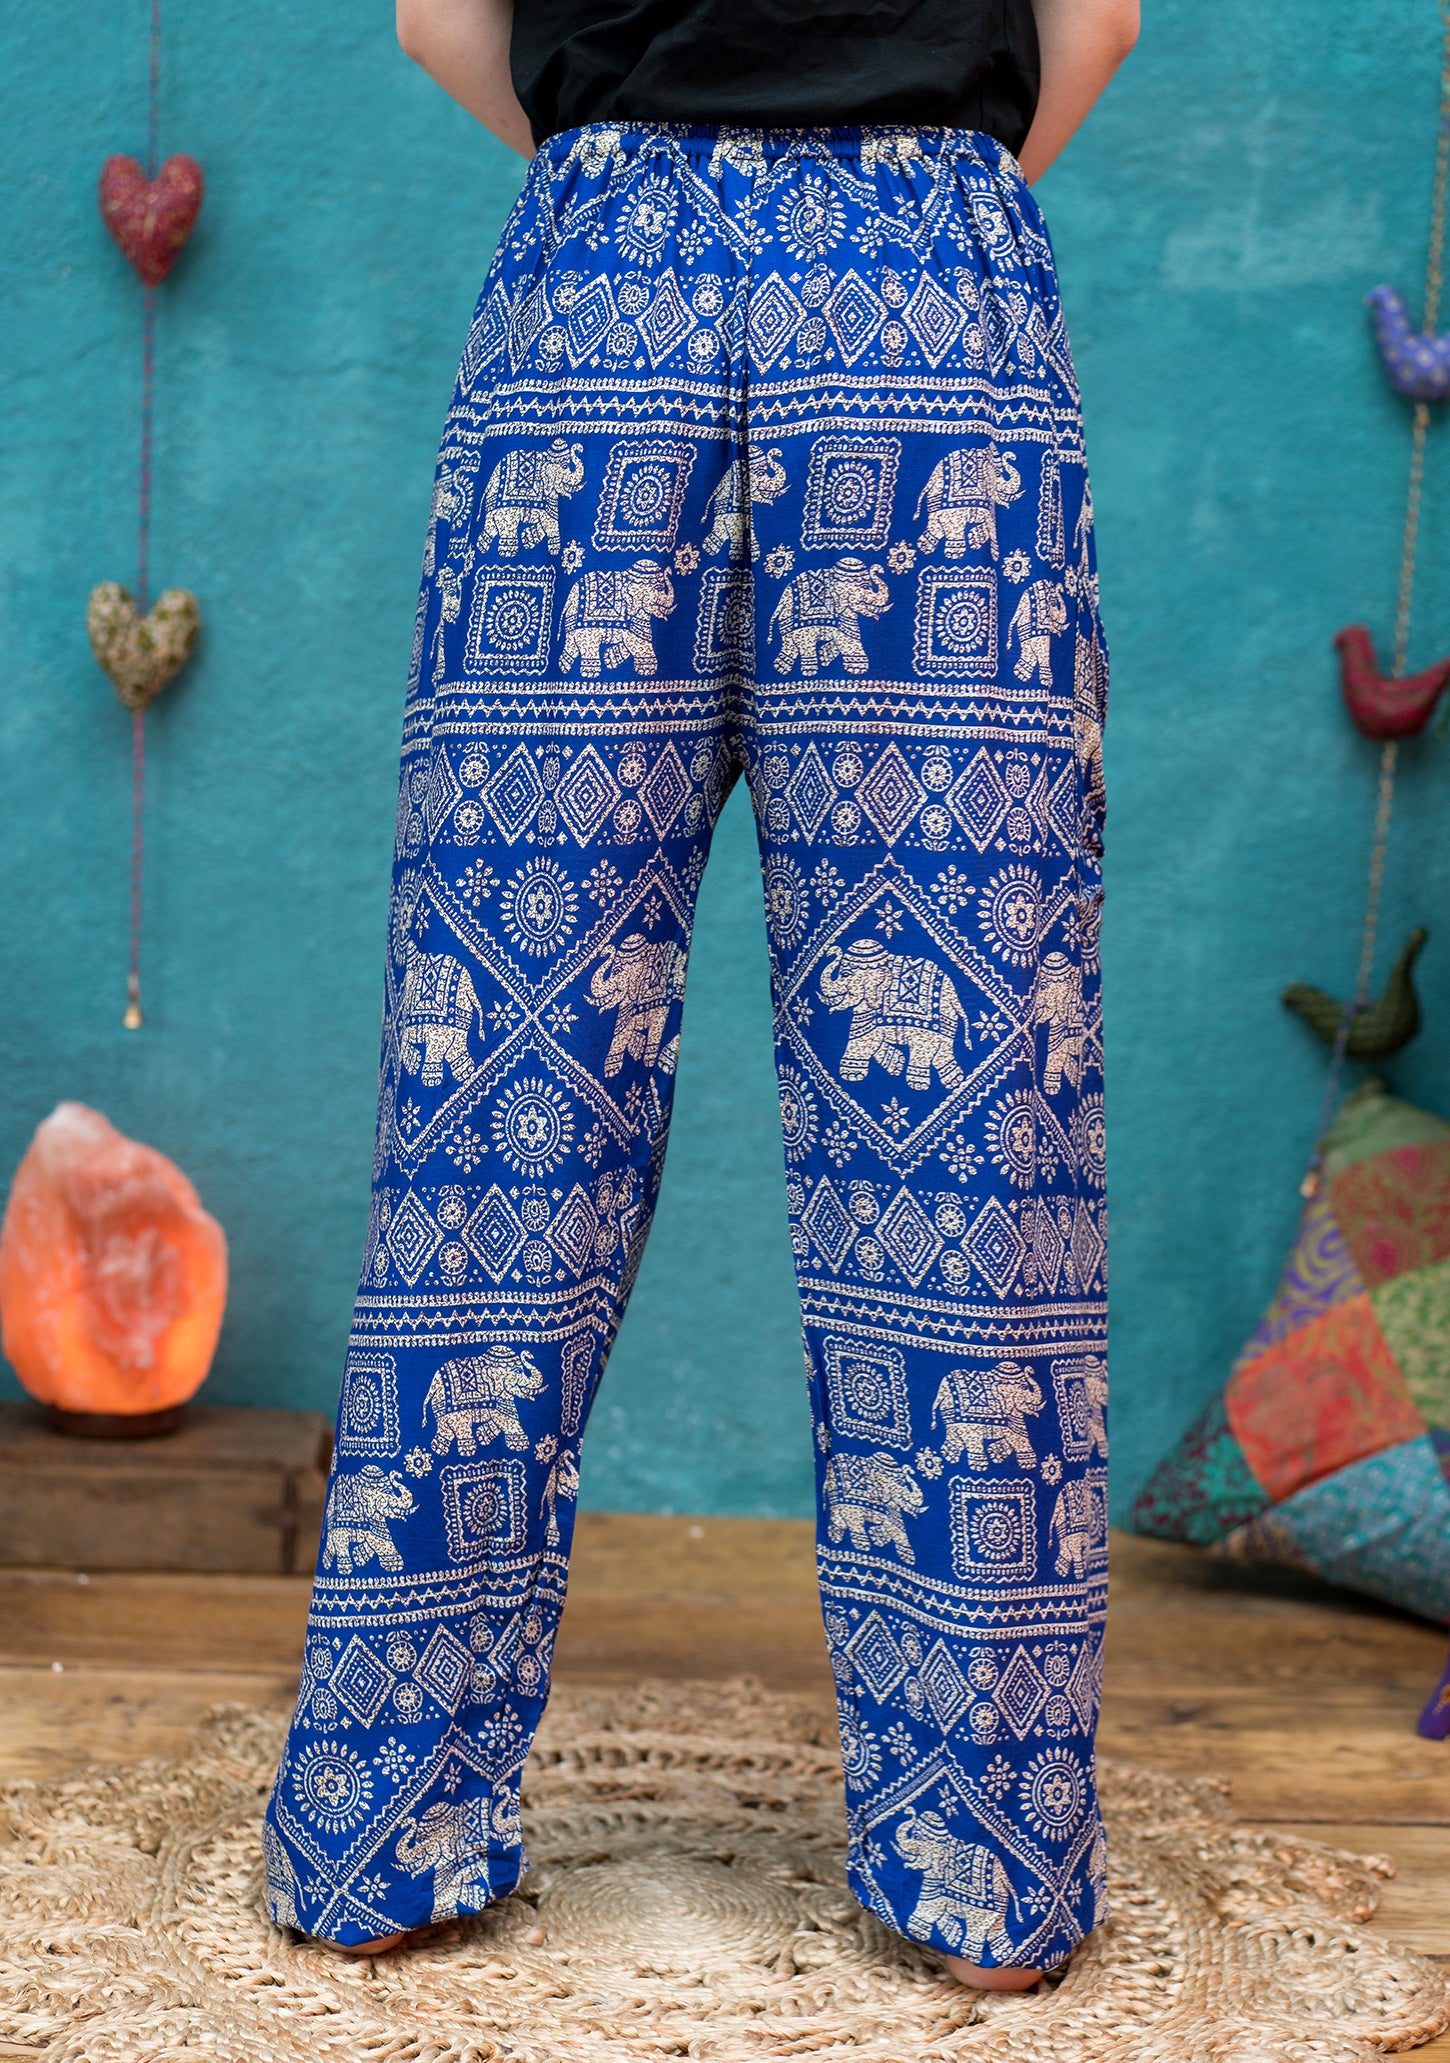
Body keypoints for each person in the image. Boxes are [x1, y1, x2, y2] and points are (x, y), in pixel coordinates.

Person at [262, 0, 1137, 1992]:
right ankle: (986, 1870)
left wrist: (648, 180)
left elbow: (434, 20)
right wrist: (894, 194)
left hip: (599, 302)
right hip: (929, 307)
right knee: (969, 1109)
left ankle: (384, 1838)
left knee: (500, 1089)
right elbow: (1091, 17)